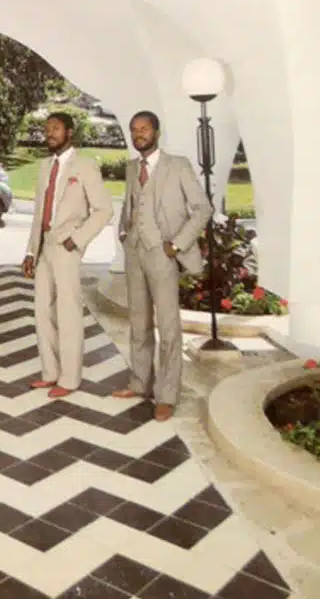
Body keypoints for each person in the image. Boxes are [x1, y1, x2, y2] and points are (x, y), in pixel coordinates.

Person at [113, 110, 212, 421]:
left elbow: (203, 208)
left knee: (168, 326)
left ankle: (167, 395)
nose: (138, 134)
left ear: (156, 132)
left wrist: (177, 244)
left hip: (163, 253)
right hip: (135, 251)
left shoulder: (177, 165)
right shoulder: (132, 168)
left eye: (144, 129)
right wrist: (124, 231)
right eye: (134, 129)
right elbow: (131, 204)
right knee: (138, 321)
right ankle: (140, 383)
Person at [22, 112, 112, 398]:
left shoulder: (84, 166)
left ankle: (70, 379)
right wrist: (30, 251)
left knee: (68, 313)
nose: (50, 133)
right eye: (47, 129)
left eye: (56, 128)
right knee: (42, 312)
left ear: (69, 132)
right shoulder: (44, 166)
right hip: (44, 247)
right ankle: (49, 372)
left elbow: (104, 210)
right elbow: (39, 214)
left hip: (66, 247)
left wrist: (78, 239)